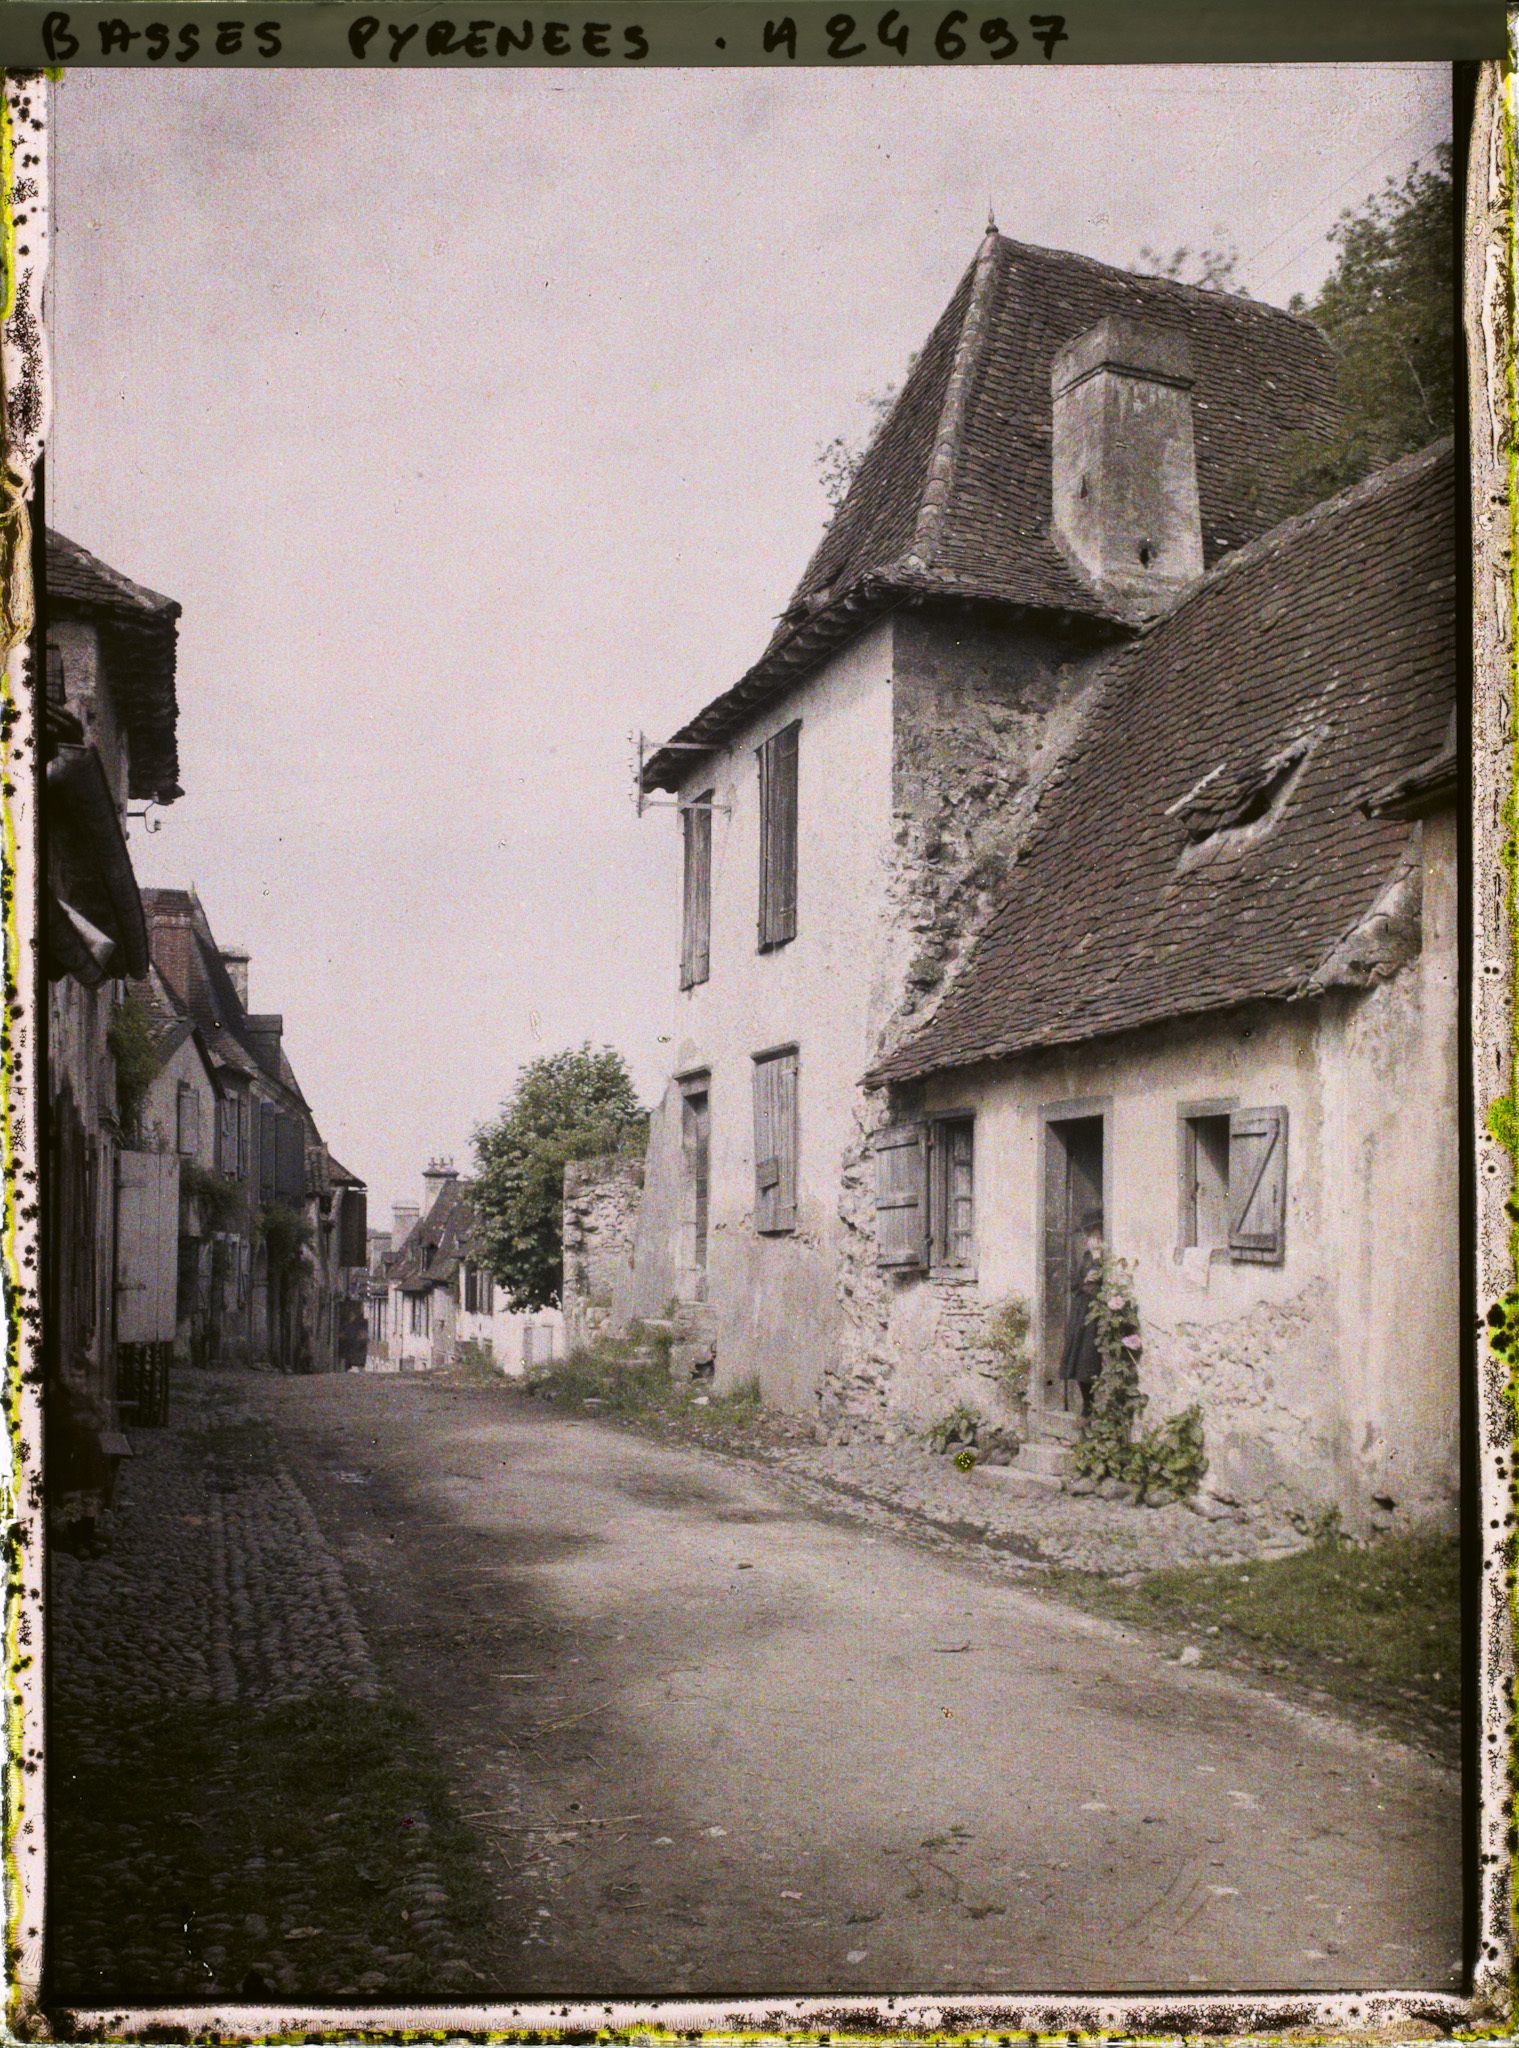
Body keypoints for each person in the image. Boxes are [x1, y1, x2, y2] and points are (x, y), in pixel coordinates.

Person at [1059, 1209, 1105, 1418]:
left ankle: (1093, 1408)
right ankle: (1087, 1405)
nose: (1091, 1239)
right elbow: (1075, 1283)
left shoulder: (1104, 1257)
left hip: (1096, 1313)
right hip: (1081, 1312)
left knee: (1090, 1359)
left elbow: (1102, 1282)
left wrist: (1097, 1262)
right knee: (1077, 1358)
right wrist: (1084, 1280)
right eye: (1089, 1235)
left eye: (1095, 1234)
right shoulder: (1086, 1257)